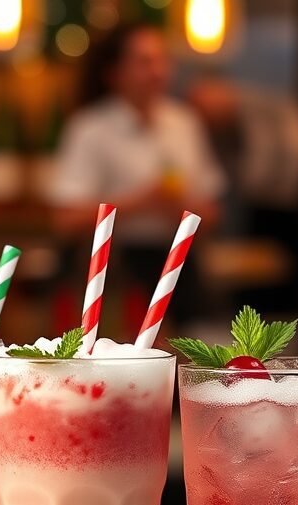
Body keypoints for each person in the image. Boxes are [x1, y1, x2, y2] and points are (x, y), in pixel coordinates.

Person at [49, 23, 225, 328]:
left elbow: (212, 213)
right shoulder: (90, 129)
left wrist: (179, 205)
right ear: (114, 73)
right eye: (145, 62)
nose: (158, 72)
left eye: (163, 60)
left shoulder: (185, 125)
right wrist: (141, 202)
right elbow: (64, 220)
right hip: (115, 268)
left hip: (179, 262)